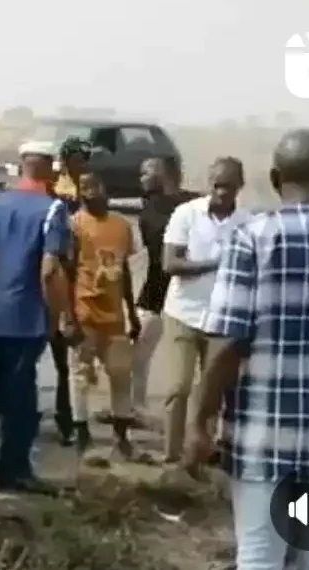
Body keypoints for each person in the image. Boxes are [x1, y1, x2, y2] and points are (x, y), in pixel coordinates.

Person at [187, 129, 309, 570]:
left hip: (261, 444)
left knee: (260, 556)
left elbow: (226, 342)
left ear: (276, 178)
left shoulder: (251, 240)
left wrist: (200, 420)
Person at [0, 143, 67, 494]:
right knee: (20, 399)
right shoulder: (53, 210)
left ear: (22, 166)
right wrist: (55, 317)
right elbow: (49, 270)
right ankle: (14, 471)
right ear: (49, 168)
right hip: (24, 315)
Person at [159, 157, 251, 463]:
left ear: (240, 185)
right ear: (208, 183)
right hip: (183, 313)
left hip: (223, 320)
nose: (222, 192)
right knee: (178, 387)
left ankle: (198, 456)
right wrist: (216, 264)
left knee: (211, 395)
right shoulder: (186, 214)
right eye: (216, 185)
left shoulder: (248, 224)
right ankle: (172, 458)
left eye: (228, 186)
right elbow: (170, 263)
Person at [65, 171, 142, 459]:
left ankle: (122, 437)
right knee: (81, 376)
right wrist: (69, 317)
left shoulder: (122, 225)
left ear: (105, 188)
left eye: (94, 186)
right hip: (85, 310)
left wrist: (131, 313)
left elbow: (124, 272)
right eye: (83, 188)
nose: (89, 193)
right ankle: (82, 433)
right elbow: (68, 272)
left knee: (121, 375)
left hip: (115, 317)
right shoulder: (74, 226)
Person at [12, 140, 75, 444]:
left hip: (20, 298)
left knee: (25, 367)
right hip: (49, 298)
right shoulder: (55, 208)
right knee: (57, 364)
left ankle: (29, 424)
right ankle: (60, 422)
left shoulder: (7, 203)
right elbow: (56, 265)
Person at [131, 157, 199, 420]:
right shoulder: (151, 209)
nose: (142, 178)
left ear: (165, 174)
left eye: (147, 172)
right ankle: (136, 407)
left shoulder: (191, 207)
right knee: (139, 355)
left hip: (177, 293)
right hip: (157, 293)